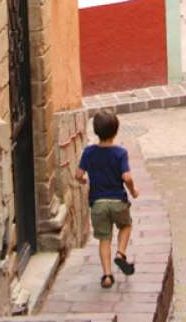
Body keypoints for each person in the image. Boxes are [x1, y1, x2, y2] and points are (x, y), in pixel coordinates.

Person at [75, 110, 139, 288]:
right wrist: (133, 191)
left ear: (95, 131)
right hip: (118, 201)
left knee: (104, 238)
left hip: (98, 204)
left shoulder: (89, 152)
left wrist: (83, 180)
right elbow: (127, 177)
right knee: (126, 226)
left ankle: (107, 276)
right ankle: (120, 253)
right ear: (116, 130)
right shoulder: (120, 153)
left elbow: (78, 174)